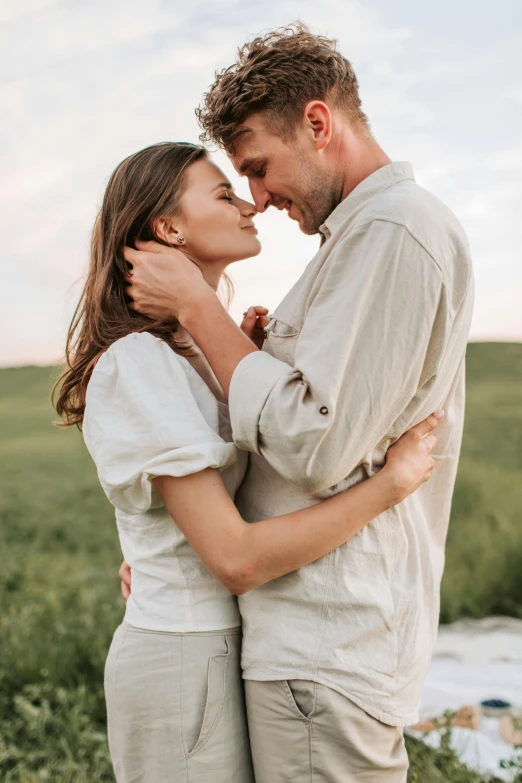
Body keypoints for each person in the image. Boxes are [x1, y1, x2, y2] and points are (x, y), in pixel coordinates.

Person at [123, 23, 474, 783]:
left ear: (318, 124)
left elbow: (313, 445)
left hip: (327, 644)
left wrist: (200, 310)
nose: (257, 198)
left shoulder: (392, 229)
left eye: (257, 168)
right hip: (313, 645)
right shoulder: (360, 239)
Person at [53, 140, 441, 783]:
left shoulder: (198, 352)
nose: (250, 205)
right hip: (181, 656)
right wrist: (390, 485)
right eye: (224, 194)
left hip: (222, 646)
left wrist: (247, 363)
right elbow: (232, 558)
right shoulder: (136, 361)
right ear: (168, 228)